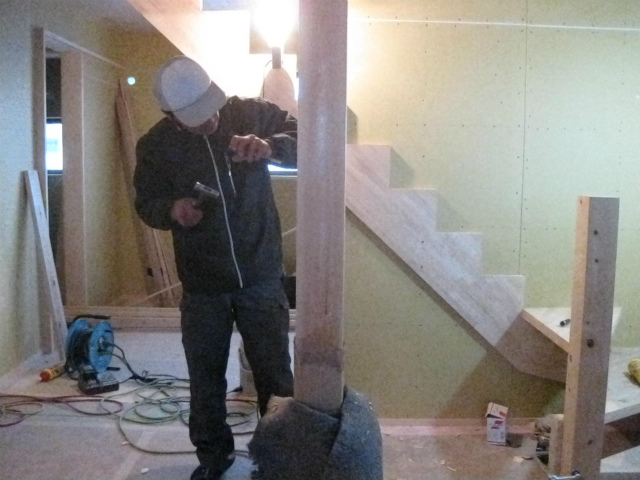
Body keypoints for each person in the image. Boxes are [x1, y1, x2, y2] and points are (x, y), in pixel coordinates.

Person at [134, 55, 296, 480]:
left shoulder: (250, 113)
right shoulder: (154, 147)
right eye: (194, 118)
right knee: (205, 378)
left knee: (276, 376)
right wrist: (172, 209)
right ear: (170, 115)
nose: (208, 122)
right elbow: (146, 203)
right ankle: (213, 458)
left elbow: (305, 136)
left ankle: (279, 461)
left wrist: (271, 146)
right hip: (203, 283)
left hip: (260, 275)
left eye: (210, 110)